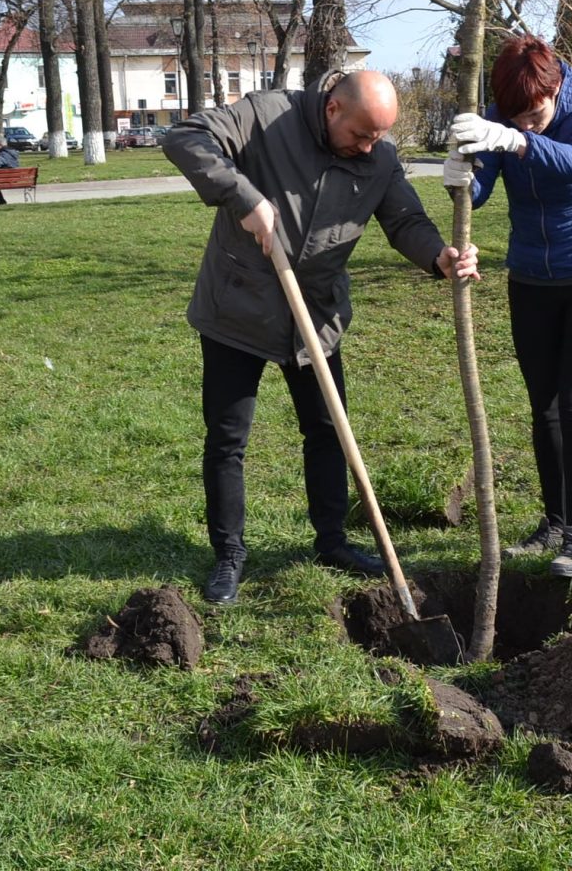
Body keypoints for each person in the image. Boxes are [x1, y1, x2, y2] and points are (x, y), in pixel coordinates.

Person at [164, 69, 479, 604]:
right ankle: (229, 556)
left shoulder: (377, 156)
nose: (370, 146)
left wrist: (437, 256)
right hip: (236, 308)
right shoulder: (265, 116)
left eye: (379, 136)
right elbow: (184, 138)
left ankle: (331, 541)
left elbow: (404, 218)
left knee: (328, 431)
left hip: (316, 316)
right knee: (228, 438)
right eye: (361, 133)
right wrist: (244, 197)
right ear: (333, 108)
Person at [445, 35, 572, 579]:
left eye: (536, 112)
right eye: (516, 116)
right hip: (529, 280)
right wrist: (461, 178)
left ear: (555, 88)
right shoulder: (502, 118)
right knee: (542, 407)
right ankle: (551, 522)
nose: (528, 124)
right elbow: (480, 193)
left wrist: (512, 140)